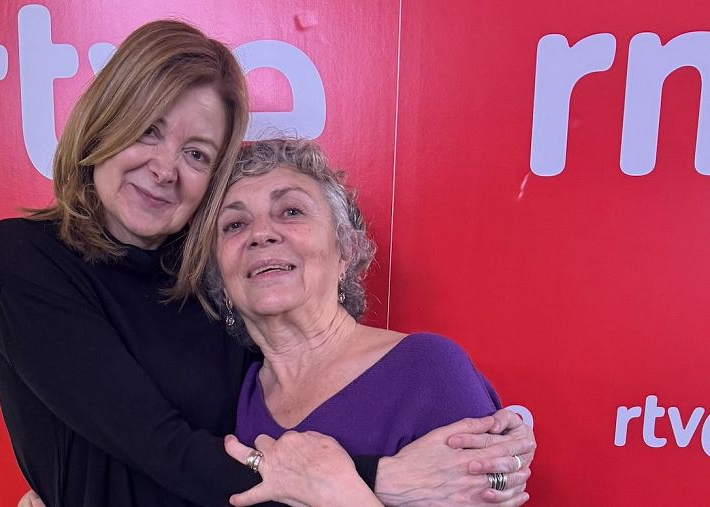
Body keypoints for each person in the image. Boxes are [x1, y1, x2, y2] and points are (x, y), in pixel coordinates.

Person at [0, 19, 534, 507]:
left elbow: (461, 457)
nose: (165, 168)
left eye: (196, 154)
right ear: (103, 125)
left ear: (346, 248)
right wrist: (380, 480)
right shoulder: (25, 257)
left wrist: (508, 436)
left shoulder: (209, 286)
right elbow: (160, 446)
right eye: (147, 129)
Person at [194, 139, 530, 506]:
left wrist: (342, 493)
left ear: (345, 251)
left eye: (291, 211)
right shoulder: (233, 398)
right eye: (234, 224)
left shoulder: (428, 371)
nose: (260, 234)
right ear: (219, 276)